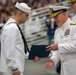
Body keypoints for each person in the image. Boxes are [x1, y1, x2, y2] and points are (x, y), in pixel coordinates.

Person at [0, 2, 40, 75]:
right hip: (11, 71)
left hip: (12, 69)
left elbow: (18, 49)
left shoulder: (13, 26)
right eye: (26, 15)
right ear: (19, 14)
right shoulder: (12, 28)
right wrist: (14, 69)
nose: (27, 18)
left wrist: (30, 56)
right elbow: (8, 52)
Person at [45, 5, 76, 75]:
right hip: (64, 71)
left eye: (56, 17)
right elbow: (56, 52)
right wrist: (53, 60)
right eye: (54, 18)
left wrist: (58, 46)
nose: (55, 20)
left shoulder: (74, 27)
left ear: (64, 14)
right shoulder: (57, 31)